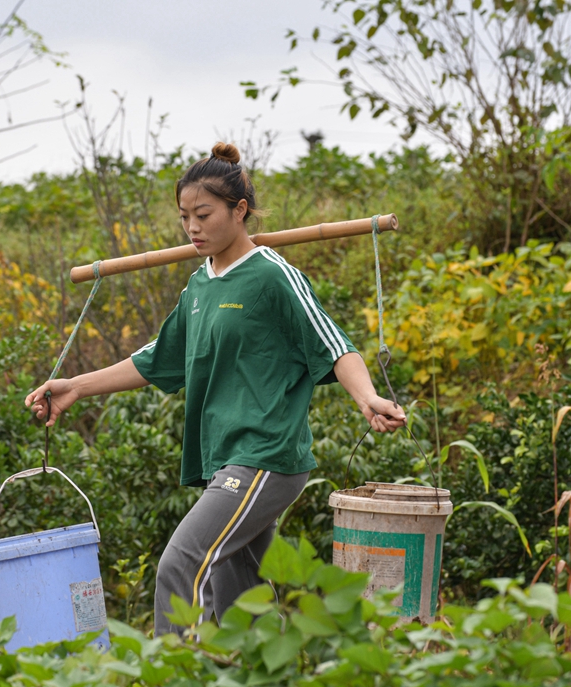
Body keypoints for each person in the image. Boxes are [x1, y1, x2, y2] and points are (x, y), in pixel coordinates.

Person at [25, 142, 406, 635]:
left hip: (265, 454)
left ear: (239, 210)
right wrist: (76, 385)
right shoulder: (199, 286)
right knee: (238, 594)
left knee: (182, 563)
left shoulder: (274, 276)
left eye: (203, 214)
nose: (192, 228)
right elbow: (158, 358)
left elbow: (334, 345)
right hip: (223, 458)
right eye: (185, 216)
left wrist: (367, 397)